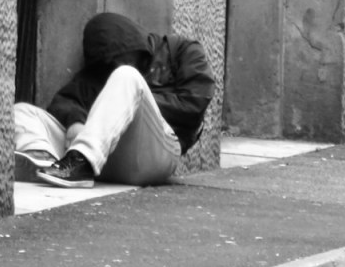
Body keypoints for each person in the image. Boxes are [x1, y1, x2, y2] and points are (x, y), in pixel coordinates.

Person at [14, 12, 216, 188]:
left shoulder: (183, 51)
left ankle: (81, 160)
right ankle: (44, 158)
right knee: (23, 111)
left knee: (126, 76)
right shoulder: (104, 69)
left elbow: (194, 104)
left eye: (124, 58)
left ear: (138, 47)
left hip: (157, 152)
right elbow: (66, 100)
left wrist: (134, 102)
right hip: (106, 159)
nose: (117, 65)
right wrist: (75, 122)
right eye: (112, 63)